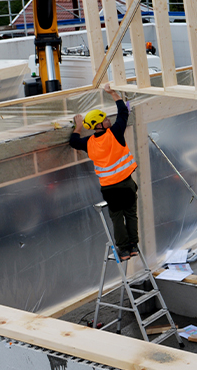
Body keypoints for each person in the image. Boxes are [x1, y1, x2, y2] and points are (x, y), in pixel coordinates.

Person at [70, 83, 139, 262]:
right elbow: (123, 112)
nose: (109, 120)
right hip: (126, 183)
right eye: (106, 119)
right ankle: (133, 246)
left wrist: (78, 126)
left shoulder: (89, 143)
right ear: (100, 124)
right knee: (130, 214)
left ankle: (124, 250)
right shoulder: (115, 133)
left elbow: (73, 141)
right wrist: (112, 93)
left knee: (117, 218)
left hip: (109, 188)